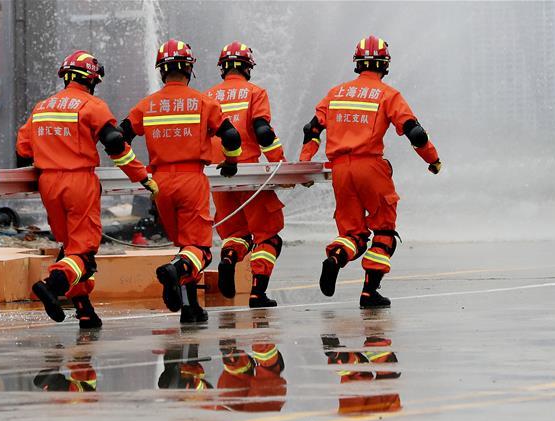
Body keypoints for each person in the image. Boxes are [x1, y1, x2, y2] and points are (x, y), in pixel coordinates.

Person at [299, 35, 443, 308]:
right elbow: (415, 132)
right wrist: (432, 159)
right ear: (385, 64)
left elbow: (312, 129)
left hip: (340, 170)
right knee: (384, 231)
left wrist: (305, 162)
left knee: (353, 234)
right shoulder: (388, 95)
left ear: (357, 63)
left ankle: (335, 259)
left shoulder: (336, 93)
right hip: (370, 168)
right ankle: (369, 292)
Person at [17, 51, 157, 328]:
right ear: (92, 80)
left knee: (71, 248)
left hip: (48, 184)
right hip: (79, 182)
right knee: (83, 252)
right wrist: (141, 176)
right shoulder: (92, 105)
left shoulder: (42, 107)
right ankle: (52, 285)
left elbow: (23, 149)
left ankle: (84, 310)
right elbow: (115, 143)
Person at [121, 39, 242, 324]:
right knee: (200, 250)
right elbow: (232, 136)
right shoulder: (203, 103)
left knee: (186, 246)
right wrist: (231, 162)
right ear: (189, 69)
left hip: (160, 184)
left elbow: (118, 137)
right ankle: (175, 270)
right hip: (191, 180)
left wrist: (136, 171)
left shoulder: (147, 105)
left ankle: (190, 308)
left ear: (161, 71)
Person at [205, 41, 287, 308]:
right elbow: (263, 132)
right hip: (250, 174)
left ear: (222, 68)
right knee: (268, 236)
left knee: (236, 233)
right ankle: (258, 294)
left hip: (219, 176)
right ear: (248, 68)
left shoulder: (207, 97)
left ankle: (229, 258)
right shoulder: (255, 92)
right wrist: (279, 165)